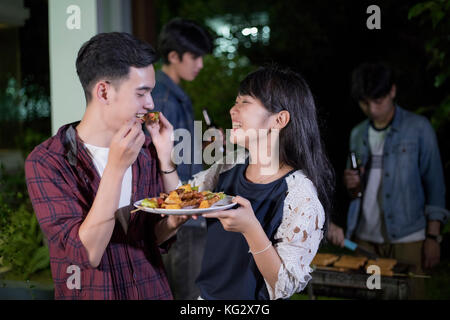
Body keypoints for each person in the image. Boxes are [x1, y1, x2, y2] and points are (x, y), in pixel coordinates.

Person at [24, 32, 191, 300]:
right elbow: (86, 253)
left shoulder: (146, 150)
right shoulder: (48, 161)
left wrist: (165, 158)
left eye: (151, 92)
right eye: (142, 93)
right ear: (103, 91)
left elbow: (154, 238)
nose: (150, 104)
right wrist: (115, 168)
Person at [184, 65, 335, 299]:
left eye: (245, 102)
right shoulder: (228, 167)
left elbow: (284, 286)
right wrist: (164, 154)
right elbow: (178, 201)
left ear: (279, 120)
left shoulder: (299, 194)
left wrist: (251, 228)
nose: (233, 110)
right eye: (236, 101)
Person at [328, 62, 449, 298]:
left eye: (378, 101)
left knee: (410, 294)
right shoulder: (358, 133)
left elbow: (435, 185)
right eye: (365, 103)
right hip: (363, 237)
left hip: (408, 237)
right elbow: (356, 193)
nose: (372, 109)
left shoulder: (418, 128)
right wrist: (352, 186)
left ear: (392, 91)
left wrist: (433, 236)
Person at [151, 18, 213, 299]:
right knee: (187, 295)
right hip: (180, 211)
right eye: (194, 56)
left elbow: (179, 152)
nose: (199, 64)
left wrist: (202, 145)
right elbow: (161, 158)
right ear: (174, 56)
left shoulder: (170, 94)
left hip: (184, 208)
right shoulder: (162, 99)